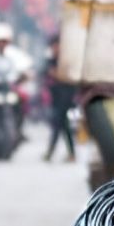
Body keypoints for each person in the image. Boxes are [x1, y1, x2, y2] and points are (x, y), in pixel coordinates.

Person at [44, 32, 79, 162]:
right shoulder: (50, 61)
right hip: (56, 99)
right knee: (63, 127)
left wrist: (59, 76)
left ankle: (51, 153)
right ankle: (69, 154)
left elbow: (68, 78)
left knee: (60, 127)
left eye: (57, 46)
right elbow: (48, 75)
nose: (55, 48)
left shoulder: (66, 62)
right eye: (54, 46)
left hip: (67, 99)